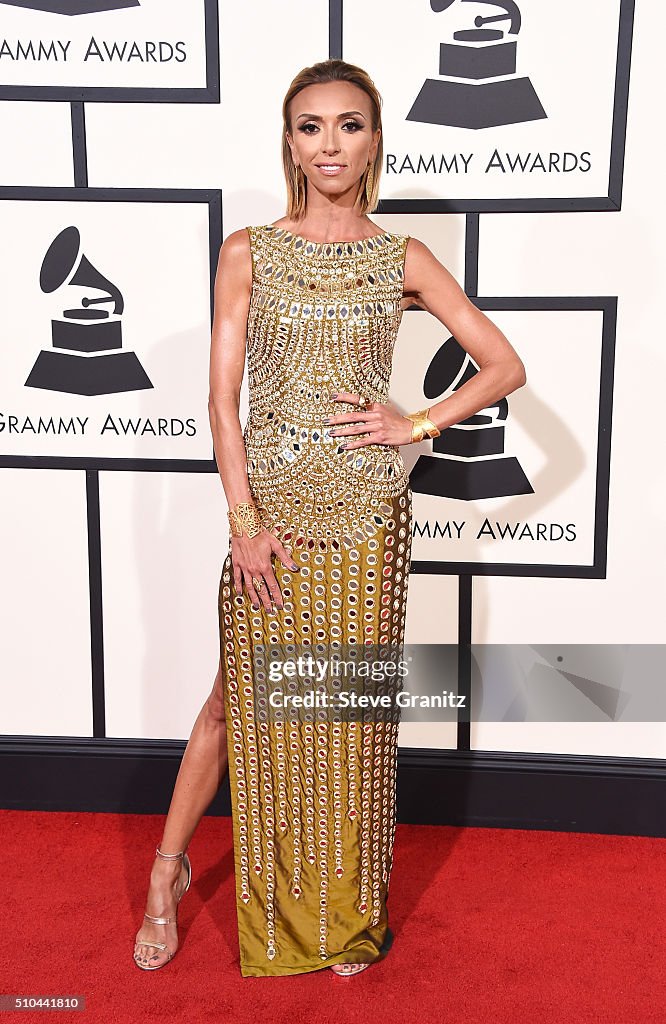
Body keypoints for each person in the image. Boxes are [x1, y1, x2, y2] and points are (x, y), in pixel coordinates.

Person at [132, 57, 526, 978]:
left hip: (368, 524)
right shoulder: (249, 252)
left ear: (374, 139)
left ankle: (340, 915)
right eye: (311, 127)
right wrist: (242, 520)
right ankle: (166, 871)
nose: (330, 145)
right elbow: (223, 403)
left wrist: (416, 421)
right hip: (271, 521)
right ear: (290, 143)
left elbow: (502, 365)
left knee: (348, 720)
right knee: (237, 704)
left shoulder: (404, 259)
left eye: (349, 125)